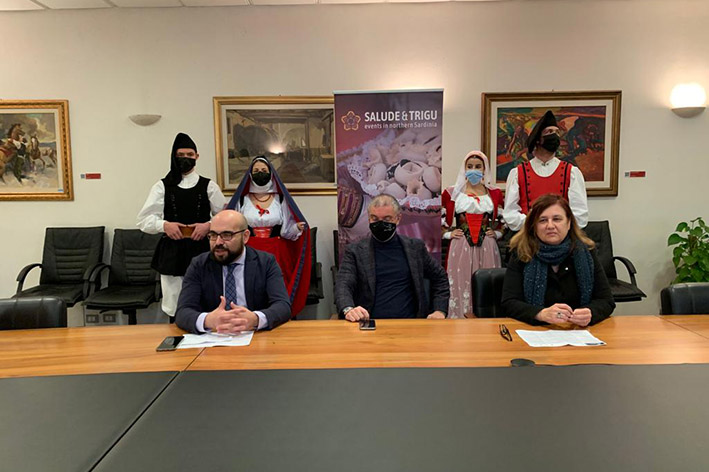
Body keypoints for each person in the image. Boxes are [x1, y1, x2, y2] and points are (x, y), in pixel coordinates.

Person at [137, 132, 226, 319]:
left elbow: (227, 218)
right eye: (181, 155)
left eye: (190, 155)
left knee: (206, 300)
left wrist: (208, 226)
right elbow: (143, 220)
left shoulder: (209, 186)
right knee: (175, 305)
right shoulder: (162, 186)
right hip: (173, 252)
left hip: (203, 250)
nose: (186, 159)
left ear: (197, 157)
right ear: (174, 156)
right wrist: (164, 225)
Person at [501, 194, 614, 326]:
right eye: (543, 220)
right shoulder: (521, 253)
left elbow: (606, 301)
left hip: (577, 331)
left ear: (569, 223)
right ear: (534, 226)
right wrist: (540, 314)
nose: (550, 226)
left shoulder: (586, 252)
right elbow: (509, 303)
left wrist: (590, 313)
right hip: (536, 330)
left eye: (557, 219)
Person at [335, 194, 449, 321]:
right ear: (369, 219)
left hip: (411, 324)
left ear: (398, 219)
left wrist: (439, 310)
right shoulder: (355, 251)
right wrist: (348, 309)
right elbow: (343, 284)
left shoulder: (415, 248)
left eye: (387, 219)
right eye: (375, 219)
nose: (380, 223)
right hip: (369, 323)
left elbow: (440, 277)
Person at [175, 210, 291, 334]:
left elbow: (283, 306)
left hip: (256, 336)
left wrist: (256, 319)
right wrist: (208, 320)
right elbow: (182, 312)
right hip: (214, 336)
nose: (218, 242)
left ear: (245, 236)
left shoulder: (266, 262)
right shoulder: (199, 265)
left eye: (226, 235)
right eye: (213, 235)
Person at [226, 156, 310, 316]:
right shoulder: (242, 200)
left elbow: (286, 230)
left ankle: (277, 316)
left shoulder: (280, 199)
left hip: (276, 251)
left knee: (276, 287)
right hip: (249, 251)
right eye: (256, 170)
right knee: (251, 285)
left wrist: (296, 228)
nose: (260, 173)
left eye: (264, 170)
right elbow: (233, 226)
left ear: (271, 173)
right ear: (250, 174)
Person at [503, 110, 588, 232]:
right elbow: (510, 214)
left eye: (557, 132)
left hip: (561, 238)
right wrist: (535, 224)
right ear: (537, 139)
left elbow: (580, 215)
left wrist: (556, 227)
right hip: (527, 237)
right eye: (549, 132)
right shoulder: (517, 173)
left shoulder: (571, 172)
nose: (555, 135)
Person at [441, 151, 504, 318]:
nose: (473, 170)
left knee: (487, 283)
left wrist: (497, 233)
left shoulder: (495, 193)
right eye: (469, 166)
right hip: (461, 245)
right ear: (464, 169)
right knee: (461, 281)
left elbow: (503, 220)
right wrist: (448, 234)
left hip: (487, 246)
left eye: (478, 166)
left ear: (484, 169)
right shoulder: (451, 193)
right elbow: (439, 219)